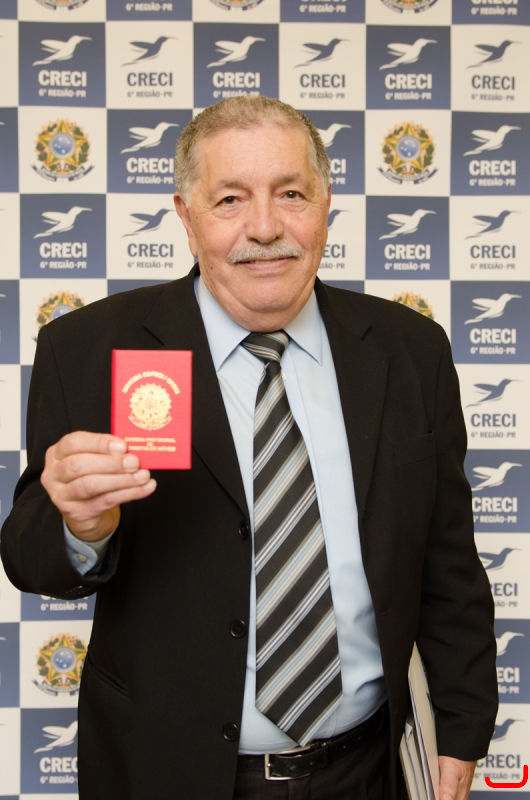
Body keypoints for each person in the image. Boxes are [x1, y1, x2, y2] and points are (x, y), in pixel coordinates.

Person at [1, 96, 497, 800]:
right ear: (187, 216)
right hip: (168, 774)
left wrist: (462, 726)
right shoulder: (88, 348)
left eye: (291, 194)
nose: (265, 228)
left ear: (326, 203)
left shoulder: (409, 350)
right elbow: (30, 559)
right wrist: (80, 528)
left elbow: (450, 563)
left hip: (370, 769)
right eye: (230, 199)